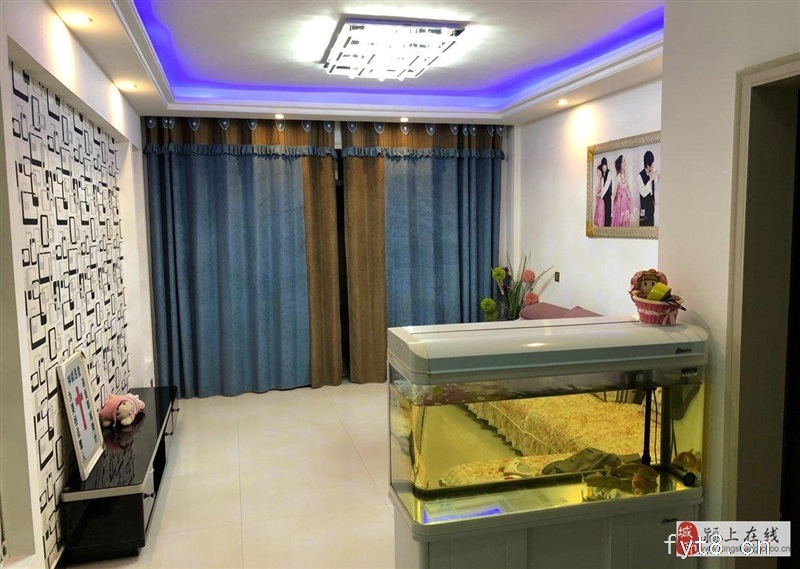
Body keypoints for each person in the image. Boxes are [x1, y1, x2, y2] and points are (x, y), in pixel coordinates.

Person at [638, 150, 658, 226]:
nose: (653, 165)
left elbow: (654, 188)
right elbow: (643, 193)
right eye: (652, 163)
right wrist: (650, 180)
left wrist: (655, 177)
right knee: (643, 229)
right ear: (647, 165)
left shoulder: (651, 173)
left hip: (651, 209)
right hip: (644, 210)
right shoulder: (639, 176)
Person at [612, 154, 632, 227]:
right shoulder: (618, 177)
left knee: (625, 221)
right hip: (619, 203)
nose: (624, 163)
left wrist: (630, 197)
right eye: (623, 161)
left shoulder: (626, 175)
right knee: (619, 221)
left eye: (624, 161)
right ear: (619, 164)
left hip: (625, 202)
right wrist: (612, 208)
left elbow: (628, 187)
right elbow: (614, 193)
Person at [593, 158, 611, 227]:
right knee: (601, 218)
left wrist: (597, 195)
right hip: (601, 200)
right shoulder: (601, 178)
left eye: (599, 172)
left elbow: (603, 190)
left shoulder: (605, 177)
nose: (598, 174)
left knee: (602, 218)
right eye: (597, 172)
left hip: (603, 200)